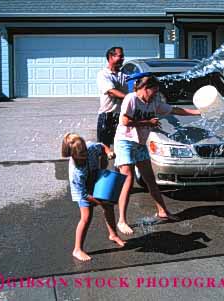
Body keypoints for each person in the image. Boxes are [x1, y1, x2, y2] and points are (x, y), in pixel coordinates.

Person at [114, 75, 200, 235]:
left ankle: (162, 211)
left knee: (150, 179)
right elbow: (125, 122)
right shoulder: (131, 99)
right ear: (144, 88)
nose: (155, 96)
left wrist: (198, 112)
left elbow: (174, 109)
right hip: (125, 142)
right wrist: (148, 123)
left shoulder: (153, 103)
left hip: (140, 144)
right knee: (128, 179)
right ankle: (122, 221)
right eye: (153, 92)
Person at [62, 133, 125, 261]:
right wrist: (99, 201)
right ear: (73, 155)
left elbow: (101, 146)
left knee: (109, 207)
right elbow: (83, 194)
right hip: (83, 190)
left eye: (85, 151)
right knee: (86, 217)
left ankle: (113, 234)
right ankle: (77, 249)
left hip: (96, 179)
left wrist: (108, 152)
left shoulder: (90, 148)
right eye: (82, 155)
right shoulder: (76, 172)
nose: (85, 155)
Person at [96, 47, 128, 146]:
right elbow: (111, 92)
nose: (123, 59)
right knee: (104, 149)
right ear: (110, 57)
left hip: (122, 116)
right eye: (120, 56)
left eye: (123, 56)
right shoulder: (103, 74)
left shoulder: (124, 75)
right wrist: (130, 98)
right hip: (107, 116)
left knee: (122, 146)